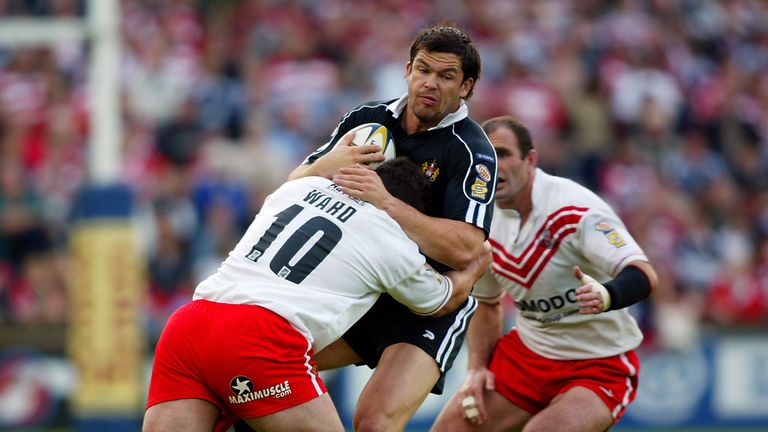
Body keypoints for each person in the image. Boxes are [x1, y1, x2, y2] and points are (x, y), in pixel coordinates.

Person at [242, 21, 496, 432]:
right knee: (260, 377)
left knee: (374, 421)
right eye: (423, 69)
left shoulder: (471, 151)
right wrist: (331, 166)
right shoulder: (368, 118)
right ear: (408, 70)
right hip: (360, 289)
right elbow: (296, 184)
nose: (430, 83)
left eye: (446, 76)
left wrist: (386, 203)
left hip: (427, 305)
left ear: (466, 86)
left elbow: (466, 249)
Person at [142, 157, 492, 432]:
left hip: (190, 324)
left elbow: (302, 176)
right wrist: (475, 264)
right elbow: (443, 300)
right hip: (260, 337)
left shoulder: (297, 189)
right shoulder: (395, 239)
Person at [431, 116, 659, 432]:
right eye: (487, 157)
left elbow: (643, 274)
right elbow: (486, 302)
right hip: (528, 355)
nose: (495, 165)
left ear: (531, 160)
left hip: (599, 364)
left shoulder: (574, 210)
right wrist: (477, 368)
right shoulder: (480, 221)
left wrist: (606, 294)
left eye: (504, 154)